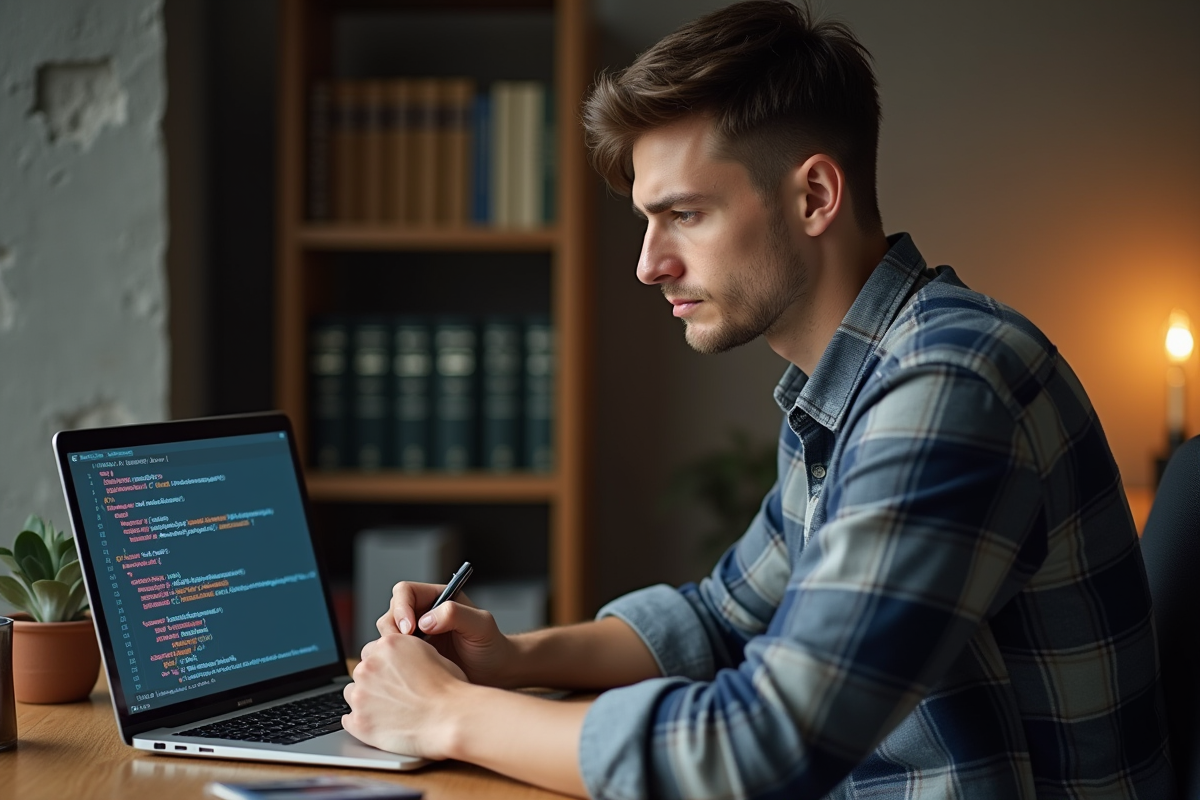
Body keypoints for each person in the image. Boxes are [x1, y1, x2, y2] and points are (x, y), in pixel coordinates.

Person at [341, 2, 1176, 797]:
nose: (648, 265)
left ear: (814, 197)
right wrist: (511, 657)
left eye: (685, 215)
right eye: (647, 220)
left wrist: (447, 714)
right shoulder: (847, 387)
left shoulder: (947, 386)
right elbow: (722, 617)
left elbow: (761, 748)